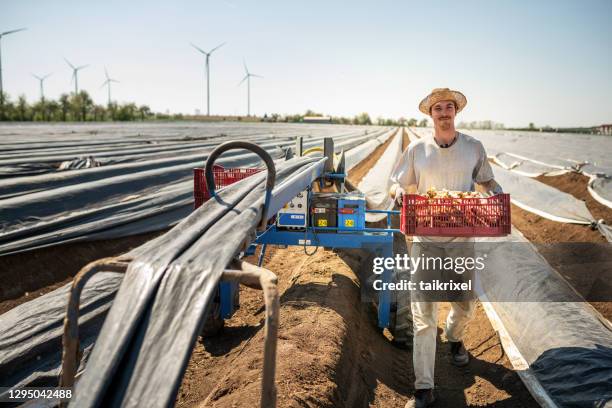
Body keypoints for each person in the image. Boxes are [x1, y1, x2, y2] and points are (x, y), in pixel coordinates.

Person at [389, 88, 503, 408]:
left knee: (465, 305)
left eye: (448, 107)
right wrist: (400, 195)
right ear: (430, 114)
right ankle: (423, 388)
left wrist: (496, 193)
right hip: (426, 240)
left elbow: (486, 183)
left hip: (462, 239)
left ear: (456, 112)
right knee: (424, 316)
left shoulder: (473, 147)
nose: (443, 112)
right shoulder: (417, 149)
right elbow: (402, 184)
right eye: (437, 108)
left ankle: (454, 339)